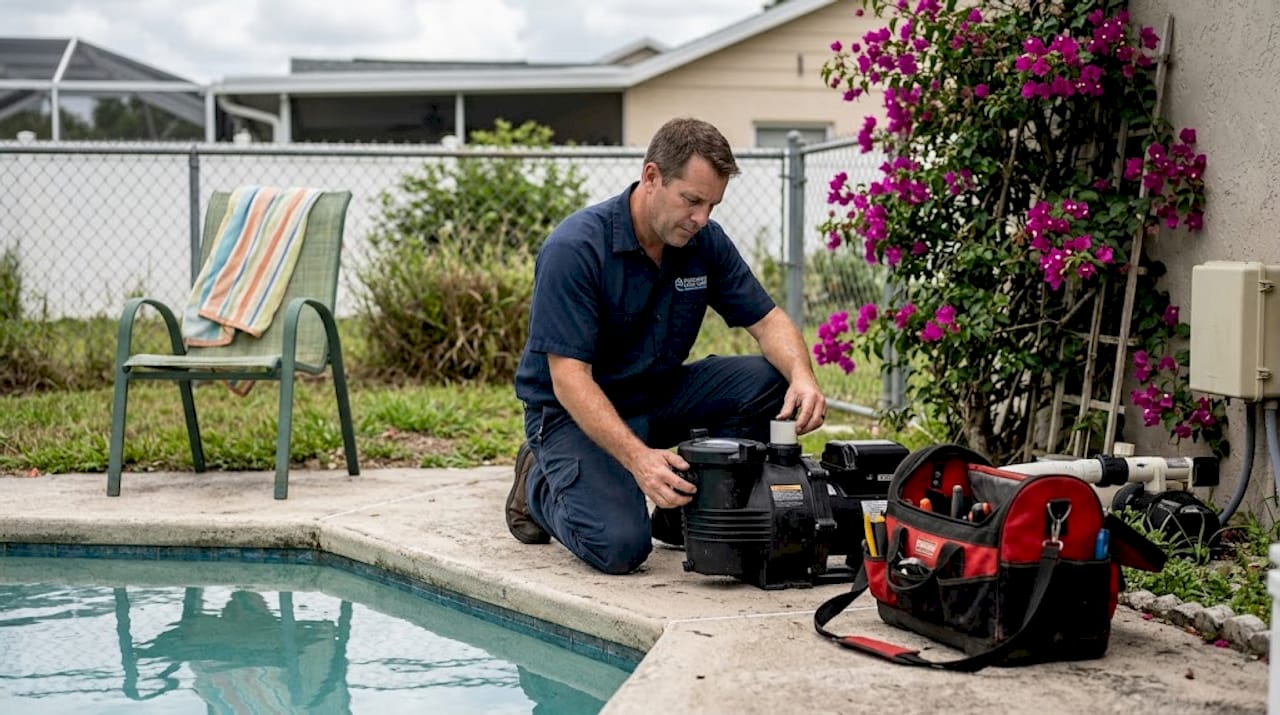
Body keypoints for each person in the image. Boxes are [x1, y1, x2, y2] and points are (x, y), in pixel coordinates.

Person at [509, 117, 826, 575]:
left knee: (770, 381)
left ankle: (685, 515)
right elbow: (569, 378)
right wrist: (639, 461)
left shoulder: (703, 242)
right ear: (652, 176)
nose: (701, 218)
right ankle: (537, 483)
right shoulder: (576, 248)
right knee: (619, 547)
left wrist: (803, 376)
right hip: (570, 414)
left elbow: (769, 320)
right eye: (692, 201)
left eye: (712, 205)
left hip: (657, 395)